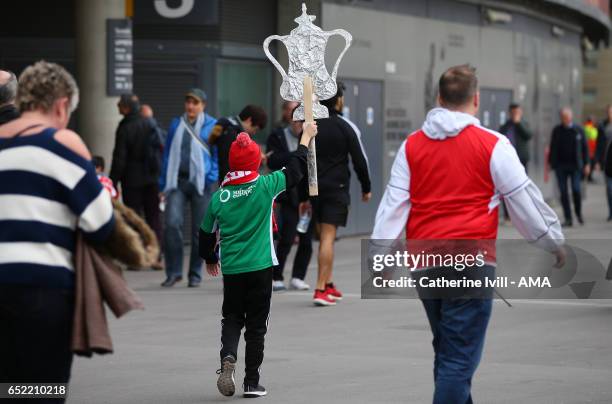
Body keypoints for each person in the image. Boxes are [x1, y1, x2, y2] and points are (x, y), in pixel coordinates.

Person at [372, 64, 565, 404]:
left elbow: (393, 207)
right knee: (458, 360)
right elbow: (523, 199)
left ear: (438, 98)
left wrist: (380, 258)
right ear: (476, 99)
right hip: (471, 262)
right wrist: (553, 242)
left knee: (448, 353)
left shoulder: (411, 147)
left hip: (425, 264)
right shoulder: (493, 145)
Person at [0, 61, 115, 400]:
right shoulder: (60, 144)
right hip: (41, 293)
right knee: (41, 390)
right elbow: (101, 223)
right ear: (62, 105)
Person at [199, 122, 317, 398]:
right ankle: (252, 382)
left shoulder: (220, 196)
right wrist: (306, 138)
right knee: (256, 325)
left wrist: (209, 257)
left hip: (233, 269)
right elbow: (296, 170)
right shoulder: (265, 185)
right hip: (261, 267)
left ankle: (228, 357)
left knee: (231, 317)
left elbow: (205, 231)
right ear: (255, 161)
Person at [311, 82, 371, 306]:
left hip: (315, 189)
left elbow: (302, 158)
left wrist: (301, 195)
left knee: (326, 239)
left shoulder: (312, 125)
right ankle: (319, 289)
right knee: (328, 238)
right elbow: (359, 161)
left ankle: (328, 283)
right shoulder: (345, 127)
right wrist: (366, 187)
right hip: (336, 190)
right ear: (338, 100)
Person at [159, 88, 218, 287]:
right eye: (188, 102)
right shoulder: (177, 124)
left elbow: (216, 154)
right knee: (172, 224)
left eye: (195, 103)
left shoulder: (213, 126)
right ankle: (174, 272)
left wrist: (211, 176)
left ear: (203, 105)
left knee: (200, 231)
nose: (191, 106)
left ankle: (195, 273)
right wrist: (163, 182)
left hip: (202, 184)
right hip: (177, 181)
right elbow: (167, 154)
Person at [110, 94, 162, 251]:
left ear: (126, 108)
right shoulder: (150, 123)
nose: (118, 107)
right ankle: (156, 253)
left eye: (119, 105)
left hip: (132, 180)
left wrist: (113, 181)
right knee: (154, 217)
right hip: (152, 177)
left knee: (134, 218)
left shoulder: (124, 127)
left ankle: (139, 253)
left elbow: (119, 158)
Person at [266, 114, 312, 291]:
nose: (297, 123)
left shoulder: (313, 137)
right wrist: (297, 154)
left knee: (306, 239)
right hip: (288, 195)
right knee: (286, 237)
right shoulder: (278, 136)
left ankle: (298, 277)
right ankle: (276, 276)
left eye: (301, 120)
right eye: (294, 119)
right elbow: (273, 160)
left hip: (306, 195)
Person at [549, 107, 589, 227]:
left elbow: (585, 148)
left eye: (566, 117)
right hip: (560, 166)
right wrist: (552, 163)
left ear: (571, 117)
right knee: (563, 192)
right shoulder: (557, 130)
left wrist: (587, 163)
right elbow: (553, 147)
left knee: (576, 190)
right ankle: (568, 218)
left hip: (575, 166)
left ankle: (578, 213)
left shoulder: (578, 130)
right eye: (562, 117)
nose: (564, 119)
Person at [208, 105, 268, 183]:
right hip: (228, 183)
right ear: (249, 120)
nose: (254, 132)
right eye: (255, 129)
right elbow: (227, 163)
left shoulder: (229, 126)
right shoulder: (231, 133)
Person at [498, 103, 533, 221]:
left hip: (521, 160)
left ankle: (522, 214)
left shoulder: (524, 123)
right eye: (512, 113)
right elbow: (499, 135)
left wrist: (518, 123)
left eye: (516, 112)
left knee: (521, 188)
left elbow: (528, 135)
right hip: (507, 161)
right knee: (506, 187)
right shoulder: (506, 125)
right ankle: (508, 215)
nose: (514, 115)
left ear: (520, 112)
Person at [596, 104, 612, 220]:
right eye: (609, 112)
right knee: (610, 189)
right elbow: (599, 145)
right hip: (608, 162)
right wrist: (597, 161)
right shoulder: (602, 126)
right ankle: (611, 212)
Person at [584, 115, 599, 182]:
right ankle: (588, 176)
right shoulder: (592, 128)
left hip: (587, 148)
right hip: (591, 148)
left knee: (588, 163)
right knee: (590, 163)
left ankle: (587, 176)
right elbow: (594, 136)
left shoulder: (585, 126)